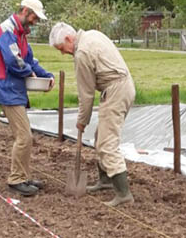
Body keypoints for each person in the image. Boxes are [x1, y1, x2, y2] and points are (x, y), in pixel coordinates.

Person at [49, 22, 136, 207]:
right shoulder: (92, 34)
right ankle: (105, 180)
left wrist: (82, 121)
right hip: (124, 86)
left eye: (61, 48)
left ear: (68, 39)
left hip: (116, 90)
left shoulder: (82, 53)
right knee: (100, 138)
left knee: (107, 144)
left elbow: (86, 95)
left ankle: (124, 194)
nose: (63, 53)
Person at [0, 0, 55, 196]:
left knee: (25, 135)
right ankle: (16, 179)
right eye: (35, 17)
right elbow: (13, 61)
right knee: (24, 136)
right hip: (6, 88)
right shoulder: (7, 30)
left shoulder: (20, 34)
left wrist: (46, 75)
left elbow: (29, 59)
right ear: (26, 11)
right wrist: (29, 72)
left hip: (15, 89)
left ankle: (24, 176)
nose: (35, 22)